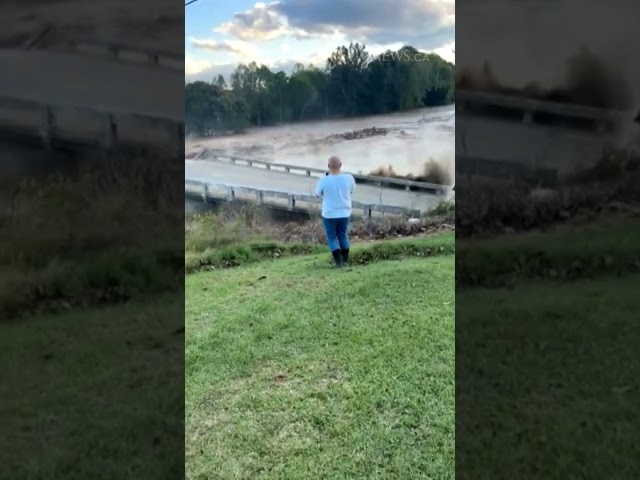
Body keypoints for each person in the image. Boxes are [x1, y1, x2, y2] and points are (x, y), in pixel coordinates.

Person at [315, 156, 356, 267]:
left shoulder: (323, 179)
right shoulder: (349, 178)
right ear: (341, 165)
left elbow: (318, 193)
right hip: (345, 212)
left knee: (332, 237)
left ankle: (338, 263)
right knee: (342, 235)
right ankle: (346, 261)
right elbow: (352, 190)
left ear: (328, 166)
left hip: (329, 214)